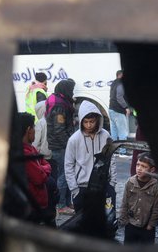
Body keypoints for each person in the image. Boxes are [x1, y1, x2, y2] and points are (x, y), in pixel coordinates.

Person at [64, 100, 116, 213]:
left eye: (91, 121)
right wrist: (74, 190)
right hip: (82, 187)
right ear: (81, 121)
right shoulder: (74, 139)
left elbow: (111, 159)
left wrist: (112, 184)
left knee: (105, 221)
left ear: (97, 119)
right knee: (83, 225)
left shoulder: (105, 135)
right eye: (86, 122)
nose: (88, 125)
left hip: (103, 185)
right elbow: (68, 165)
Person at [18, 112, 56, 226]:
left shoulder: (31, 149)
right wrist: (43, 169)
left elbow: (45, 164)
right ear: (29, 129)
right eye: (34, 128)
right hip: (34, 206)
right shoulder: (24, 153)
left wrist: (42, 168)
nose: (35, 131)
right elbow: (39, 178)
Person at [46, 78, 76, 215]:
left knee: (67, 173)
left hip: (61, 145)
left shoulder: (60, 102)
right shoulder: (60, 106)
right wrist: (69, 145)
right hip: (61, 146)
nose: (73, 92)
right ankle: (61, 204)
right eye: (72, 90)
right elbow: (59, 130)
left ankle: (67, 202)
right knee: (64, 174)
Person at [118, 153, 158, 244]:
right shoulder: (130, 182)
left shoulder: (155, 186)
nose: (139, 168)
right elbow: (124, 203)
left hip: (147, 228)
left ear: (152, 170)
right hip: (131, 225)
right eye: (138, 165)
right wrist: (125, 221)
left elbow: (157, 207)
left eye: (144, 166)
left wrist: (151, 225)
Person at [108, 70, 131, 152]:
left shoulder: (113, 83)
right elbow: (119, 97)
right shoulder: (121, 84)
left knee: (114, 133)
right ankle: (123, 152)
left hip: (111, 109)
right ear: (121, 75)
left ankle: (113, 151)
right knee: (122, 133)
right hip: (118, 111)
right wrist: (126, 107)